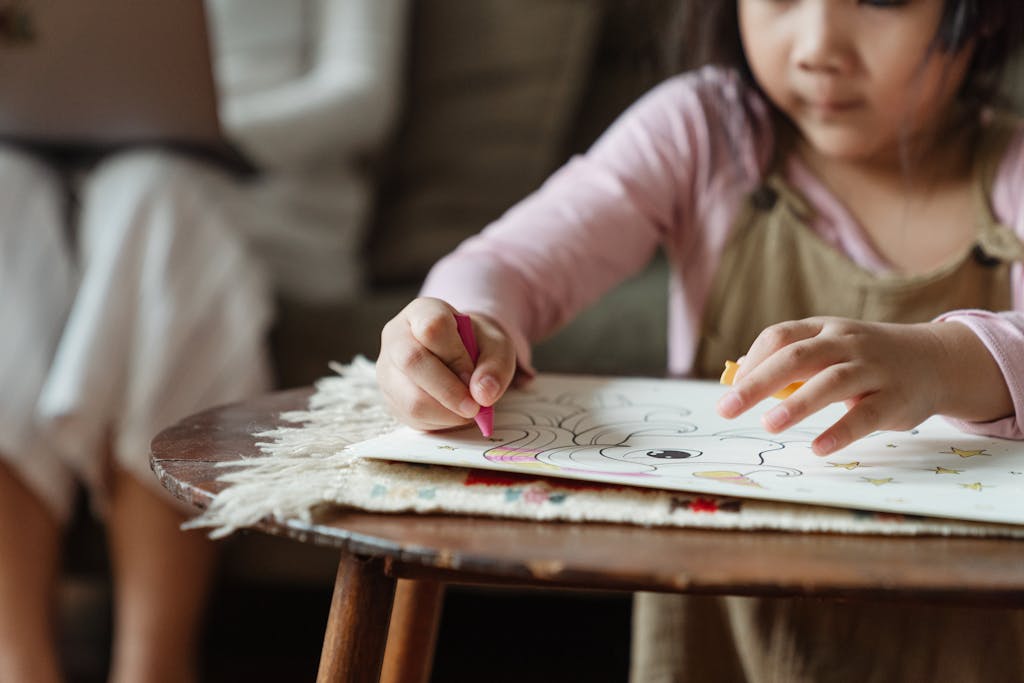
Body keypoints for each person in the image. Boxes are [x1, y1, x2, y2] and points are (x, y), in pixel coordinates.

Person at [376, 0, 1024, 680]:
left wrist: (943, 362)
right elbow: (510, 263)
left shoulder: (1009, 163)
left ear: (977, 14)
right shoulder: (706, 131)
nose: (817, 46)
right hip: (723, 625)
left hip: (963, 636)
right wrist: (458, 330)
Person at [0, 1, 407, 681]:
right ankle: (19, 660)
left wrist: (203, 134)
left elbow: (364, 95)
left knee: (156, 192)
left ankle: (153, 663)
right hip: (71, 179)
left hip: (266, 188)